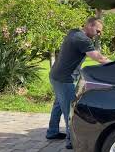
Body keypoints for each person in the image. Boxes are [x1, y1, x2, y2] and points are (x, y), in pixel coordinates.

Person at [46, 17, 110, 149]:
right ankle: (71, 141)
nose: (99, 34)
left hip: (55, 75)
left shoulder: (74, 32)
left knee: (58, 105)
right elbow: (97, 57)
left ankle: (52, 132)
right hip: (64, 79)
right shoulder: (82, 39)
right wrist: (114, 64)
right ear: (89, 25)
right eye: (97, 31)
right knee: (70, 110)